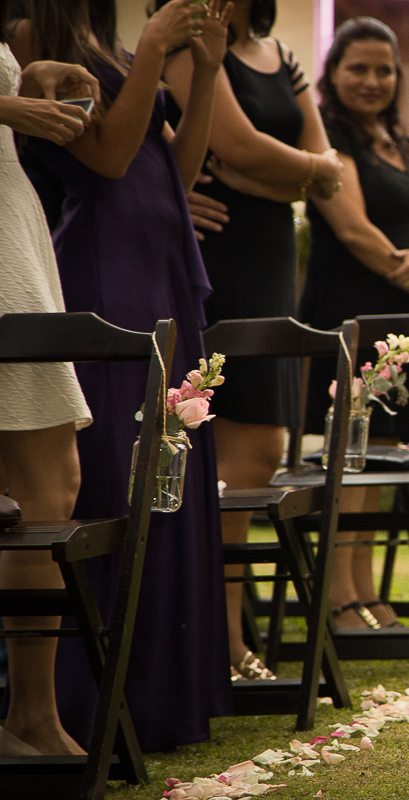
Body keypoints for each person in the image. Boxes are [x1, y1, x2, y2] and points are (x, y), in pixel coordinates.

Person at [11, 0, 234, 751]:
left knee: (168, 468)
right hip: (104, 268)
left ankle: (165, 690)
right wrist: (150, 51)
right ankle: (93, 693)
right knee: (114, 474)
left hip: (160, 262)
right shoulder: (36, 39)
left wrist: (203, 73)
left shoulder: (104, 43)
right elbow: (104, 159)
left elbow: (181, 166)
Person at [154, 0, 343, 681]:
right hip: (220, 250)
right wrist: (302, 173)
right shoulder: (189, 45)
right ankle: (221, 640)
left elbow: (321, 158)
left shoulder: (280, 56)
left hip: (268, 256)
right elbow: (235, 148)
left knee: (261, 444)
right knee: (230, 445)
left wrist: (300, 171)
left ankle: (225, 631)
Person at [298, 17, 409, 629]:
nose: (371, 80)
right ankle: (338, 597)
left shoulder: (404, 144)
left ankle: (365, 589)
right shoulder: (329, 146)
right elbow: (357, 233)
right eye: (357, 68)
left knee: (387, 453)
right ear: (332, 74)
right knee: (353, 457)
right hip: (354, 314)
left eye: (383, 69)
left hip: (402, 318)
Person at [0, 27, 97, 757]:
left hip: (15, 232)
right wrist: (10, 106)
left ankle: (31, 714)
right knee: (42, 485)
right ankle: (28, 715)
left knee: (46, 488)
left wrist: (26, 87)